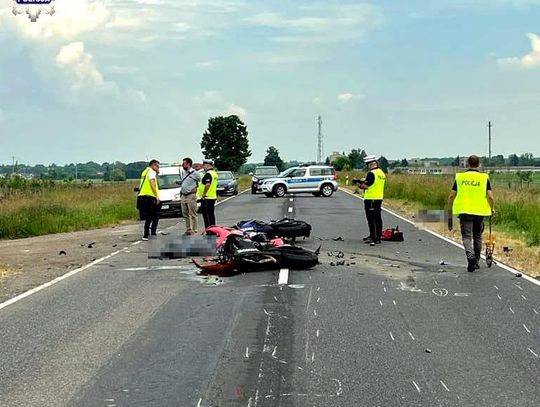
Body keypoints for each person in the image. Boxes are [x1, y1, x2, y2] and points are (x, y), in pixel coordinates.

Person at [447, 155, 495, 272]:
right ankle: (476, 261)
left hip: (465, 211)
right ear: (478, 164)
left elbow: (452, 195)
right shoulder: (484, 178)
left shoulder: (460, 178)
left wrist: (449, 208)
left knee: (466, 237)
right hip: (479, 212)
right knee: (477, 236)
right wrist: (492, 208)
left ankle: (470, 255)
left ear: (467, 164)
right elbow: (490, 196)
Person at [358, 155, 386, 244]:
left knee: (371, 218)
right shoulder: (381, 173)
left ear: (370, 164)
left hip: (370, 198)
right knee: (377, 218)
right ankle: (377, 236)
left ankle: (373, 237)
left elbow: (366, 186)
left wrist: (359, 184)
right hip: (378, 197)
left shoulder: (371, 173)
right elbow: (374, 183)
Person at [137, 159, 161, 240]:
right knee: (156, 215)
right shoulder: (151, 172)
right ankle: (153, 233)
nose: (158, 168)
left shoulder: (145, 172)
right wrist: (156, 195)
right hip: (150, 197)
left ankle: (146, 235)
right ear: (153, 165)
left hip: (142, 197)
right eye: (157, 166)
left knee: (149, 217)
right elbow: (152, 183)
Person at [179, 157, 200, 235]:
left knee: (193, 213)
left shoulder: (195, 173)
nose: (182, 165)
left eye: (184, 163)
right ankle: (188, 229)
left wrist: (196, 189)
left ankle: (195, 230)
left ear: (188, 164)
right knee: (185, 213)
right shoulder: (184, 173)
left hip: (191, 195)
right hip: (184, 195)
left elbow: (200, 182)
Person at [200, 159, 218, 229]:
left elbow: (207, 184)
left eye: (203, 166)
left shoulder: (208, 174)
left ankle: (209, 230)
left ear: (207, 165)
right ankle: (213, 229)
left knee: (207, 215)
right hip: (212, 196)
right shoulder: (214, 173)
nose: (203, 167)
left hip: (207, 197)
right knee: (211, 214)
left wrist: (204, 194)